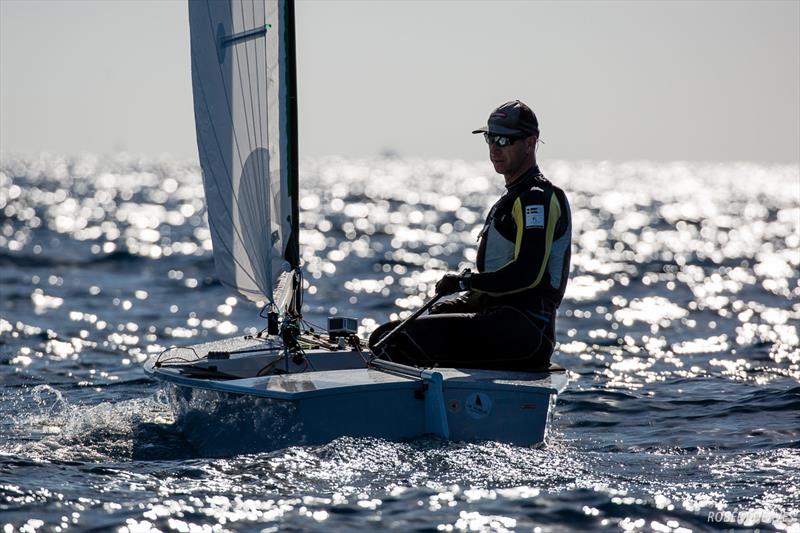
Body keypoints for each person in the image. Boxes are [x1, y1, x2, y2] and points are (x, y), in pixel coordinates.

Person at [369, 100, 571, 371]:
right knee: (400, 331)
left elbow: (528, 273)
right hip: (505, 322)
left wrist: (466, 283)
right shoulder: (515, 197)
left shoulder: (536, 199)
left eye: (505, 139)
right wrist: (464, 299)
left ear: (530, 143)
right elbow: (503, 289)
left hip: (525, 334)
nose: (495, 148)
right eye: (490, 138)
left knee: (389, 341)